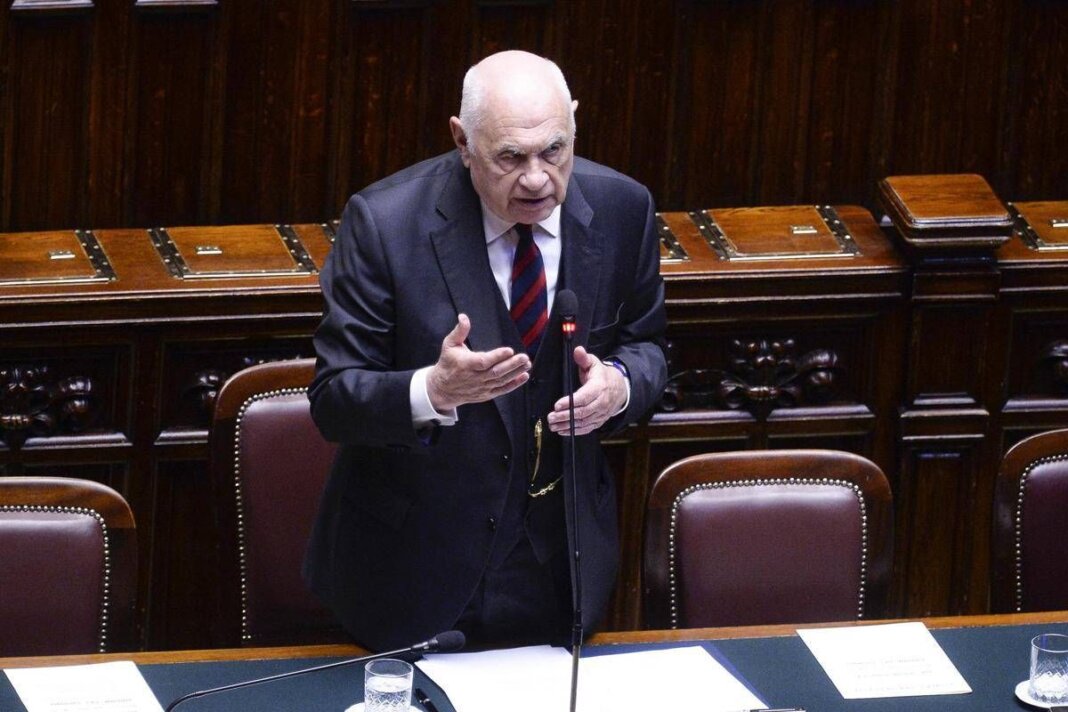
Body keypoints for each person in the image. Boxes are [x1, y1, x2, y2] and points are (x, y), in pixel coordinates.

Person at [303, 50, 667, 652]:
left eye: (554, 151)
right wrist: (432, 390)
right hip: (413, 571)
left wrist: (620, 384)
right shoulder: (384, 223)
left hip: (560, 571)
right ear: (462, 142)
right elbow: (334, 398)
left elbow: (647, 345)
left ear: (574, 123)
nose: (536, 178)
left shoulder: (624, 209)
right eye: (510, 157)